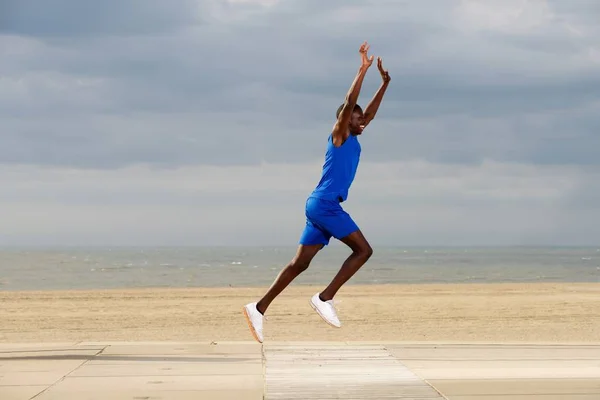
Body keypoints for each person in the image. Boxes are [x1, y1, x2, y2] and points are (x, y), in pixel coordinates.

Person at [243, 41, 391, 343]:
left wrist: (385, 83)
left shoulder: (355, 136)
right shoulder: (338, 135)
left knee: (300, 264)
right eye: (357, 117)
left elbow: (369, 114)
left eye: (363, 119)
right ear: (345, 119)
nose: (362, 120)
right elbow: (350, 102)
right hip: (325, 206)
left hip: (318, 205)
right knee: (364, 251)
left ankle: (258, 308)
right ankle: (325, 298)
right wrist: (362, 70)